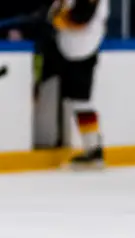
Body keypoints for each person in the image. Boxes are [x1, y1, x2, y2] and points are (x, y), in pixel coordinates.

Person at [48, 0, 109, 169]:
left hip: (83, 49)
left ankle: (94, 150)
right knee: (77, 102)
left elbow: (80, 18)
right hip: (70, 48)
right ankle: (92, 148)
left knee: (81, 101)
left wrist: (58, 19)